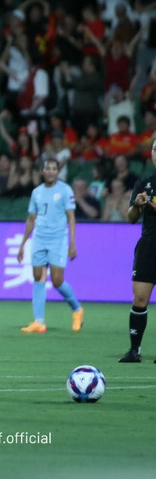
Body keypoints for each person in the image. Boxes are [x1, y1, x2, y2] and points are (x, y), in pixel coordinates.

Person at [17, 159, 83, 333]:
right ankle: (39, 321)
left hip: (58, 240)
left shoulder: (65, 190)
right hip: (39, 239)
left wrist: (72, 243)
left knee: (57, 280)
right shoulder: (36, 192)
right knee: (38, 276)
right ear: (42, 171)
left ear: (58, 171)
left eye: (54, 168)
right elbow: (31, 219)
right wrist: (23, 244)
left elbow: (71, 218)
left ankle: (77, 309)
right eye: (48, 168)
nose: (51, 171)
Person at [119, 139, 156, 362]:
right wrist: (137, 206)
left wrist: (152, 204)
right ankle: (135, 350)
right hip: (149, 246)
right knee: (139, 298)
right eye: (154, 149)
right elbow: (131, 218)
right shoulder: (144, 182)